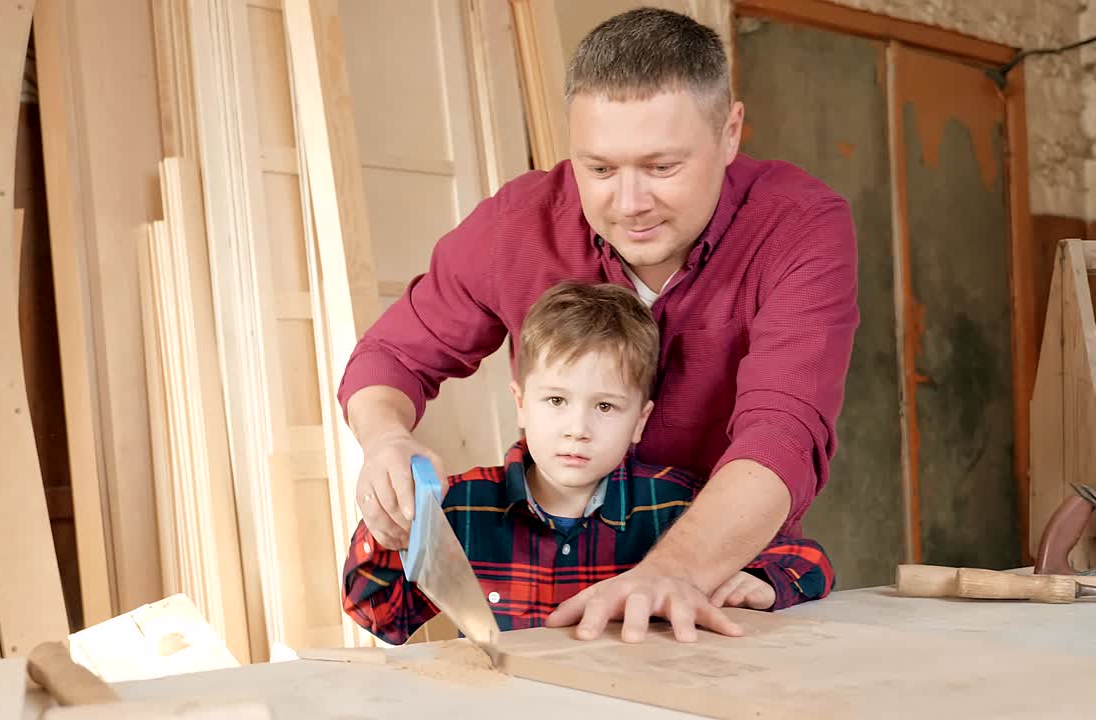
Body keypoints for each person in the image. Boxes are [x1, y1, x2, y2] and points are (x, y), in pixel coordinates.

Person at [337, 7, 857, 643]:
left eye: (662, 167)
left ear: (730, 132)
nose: (629, 203)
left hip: (720, 586)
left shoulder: (799, 226)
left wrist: (669, 573)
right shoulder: (518, 224)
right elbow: (393, 356)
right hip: (558, 611)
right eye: (600, 169)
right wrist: (385, 437)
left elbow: (782, 434)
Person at [342, 282, 834, 644]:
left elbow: (809, 562)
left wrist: (764, 585)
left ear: (639, 421)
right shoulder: (463, 508)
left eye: (604, 407)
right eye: (556, 401)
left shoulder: (680, 504)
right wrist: (387, 530)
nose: (577, 428)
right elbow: (379, 617)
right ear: (520, 402)